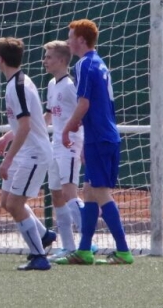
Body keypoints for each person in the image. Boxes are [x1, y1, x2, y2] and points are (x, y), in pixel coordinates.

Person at [55, 19, 133, 265]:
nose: (68, 41)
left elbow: (84, 104)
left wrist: (67, 129)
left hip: (100, 137)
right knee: (88, 192)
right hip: (103, 136)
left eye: (70, 36)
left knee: (100, 193)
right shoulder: (99, 63)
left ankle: (123, 251)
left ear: (81, 39)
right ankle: (84, 250)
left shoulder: (84, 64)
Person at [0, 37, 56, 271]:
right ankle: (44, 235)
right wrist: (6, 137)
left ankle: (39, 257)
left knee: (15, 203)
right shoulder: (19, 82)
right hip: (25, 151)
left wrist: (7, 159)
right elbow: (26, 123)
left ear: (0, 59)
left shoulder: (18, 86)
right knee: (6, 202)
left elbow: (27, 126)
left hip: (34, 153)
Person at [41, 40, 89, 260]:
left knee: (70, 193)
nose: (45, 61)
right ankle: (68, 247)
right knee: (57, 195)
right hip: (55, 146)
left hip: (70, 145)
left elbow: (85, 114)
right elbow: (49, 115)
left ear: (61, 60)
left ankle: (87, 244)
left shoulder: (71, 86)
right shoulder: (52, 84)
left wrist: (84, 144)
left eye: (49, 57)